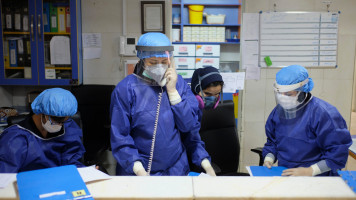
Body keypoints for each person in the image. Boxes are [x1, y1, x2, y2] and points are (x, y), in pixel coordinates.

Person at [110, 32, 215, 176]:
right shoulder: (125, 89)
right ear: (141, 58)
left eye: (164, 62)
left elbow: (189, 128)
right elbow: (120, 136)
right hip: (138, 171)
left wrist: (172, 92)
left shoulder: (179, 86)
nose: (159, 66)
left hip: (175, 170)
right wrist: (138, 169)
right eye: (152, 62)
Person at [262, 65, 352, 176]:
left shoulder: (323, 113)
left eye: (288, 94)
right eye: (279, 94)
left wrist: (310, 170)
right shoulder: (277, 113)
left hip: (318, 178)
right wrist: (269, 158)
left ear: (302, 91)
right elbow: (272, 142)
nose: (282, 98)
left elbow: (338, 152)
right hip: (285, 174)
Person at [0, 88, 85, 173]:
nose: (59, 125)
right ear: (41, 111)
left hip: (61, 181)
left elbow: (72, 160)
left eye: (63, 120)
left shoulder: (68, 127)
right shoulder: (15, 137)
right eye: (56, 119)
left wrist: (85, 172)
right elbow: (5, 175)